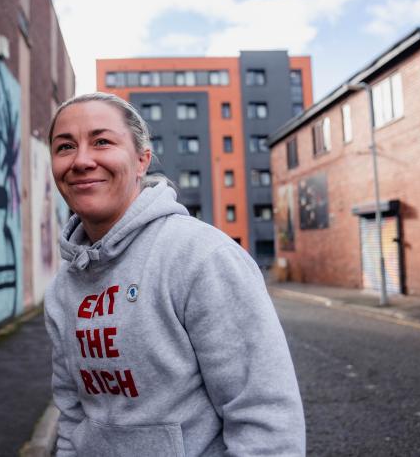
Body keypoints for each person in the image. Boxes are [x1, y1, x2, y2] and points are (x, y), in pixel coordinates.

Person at [44, 92, 305, 456]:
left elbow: (266, 419)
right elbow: (72, 414)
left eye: (102, 141)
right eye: (65, 146)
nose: (82, 160)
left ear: (141, 161)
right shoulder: (62, 290)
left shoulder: (202, 257)